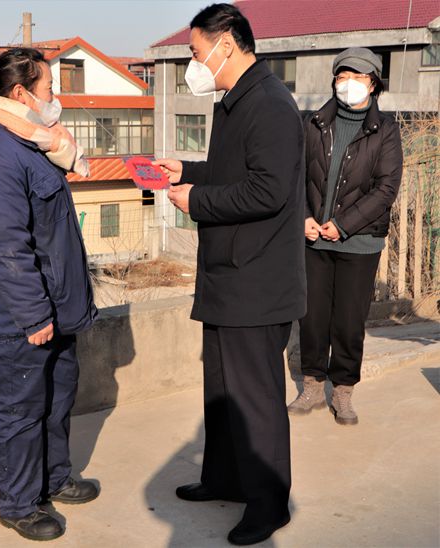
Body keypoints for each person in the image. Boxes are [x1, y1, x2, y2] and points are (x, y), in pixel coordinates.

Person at [154, 4, 306, 545]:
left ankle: (268, 504)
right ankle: (223, 479)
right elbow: (231, 171)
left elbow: (268, 190)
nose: (193, 64)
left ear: (226, 44)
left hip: (256, 280)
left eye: (196, 52)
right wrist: (188, 171)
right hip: (227, 274)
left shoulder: (270, 104)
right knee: (221, 391)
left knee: (255, 398)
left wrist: (196, 200)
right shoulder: (234, 101)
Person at [0, 47, 98, 542]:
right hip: (19, 320)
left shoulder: (30, 142)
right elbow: (4, 247)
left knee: (55, 401)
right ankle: (18, 504)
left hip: (55, 310)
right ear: (21, 93)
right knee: (18, 412)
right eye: (49, 89)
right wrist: (35, 316)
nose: (55, 97)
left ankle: (53, 479)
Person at [288, 48, 403, 425]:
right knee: (312, 317)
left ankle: (343, 390)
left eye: (358, 77)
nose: (348, 83)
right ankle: (311, 384)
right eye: (342, 76)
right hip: (313, 239)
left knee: (349, 321)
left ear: (374, 84)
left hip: (360, 242)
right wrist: (304, 217)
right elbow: (295, 175)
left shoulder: (386, 130)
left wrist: (343, 224)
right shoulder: (314, 123)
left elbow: (386, 189)